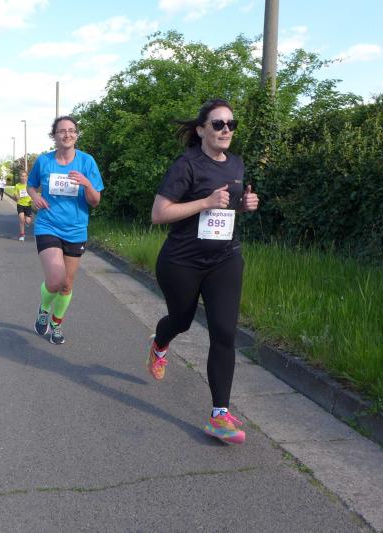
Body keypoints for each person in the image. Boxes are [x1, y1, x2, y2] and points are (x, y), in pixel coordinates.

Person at [148, 99, 259, 445]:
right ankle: (160, 343)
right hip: (182, 261)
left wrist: (246, 205)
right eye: (218, 124)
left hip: (225, 259)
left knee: (224, 333)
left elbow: (228, 207)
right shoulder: (187, 165)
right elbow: (159, 214)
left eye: (231, 124)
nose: (226, 129)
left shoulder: (236, 163)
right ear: (201, 130)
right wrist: (205, 202)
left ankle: (219, 415)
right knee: (180, 321)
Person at [28, 115, 103, 345]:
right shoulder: (44, 161)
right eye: (62, 131)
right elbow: (31, 185)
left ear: (76, 135)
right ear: (54, 136)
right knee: (55, 279)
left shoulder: (87, 162)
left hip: (76, 229)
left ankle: (56, 323)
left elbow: (95, 201)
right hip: (48, 225)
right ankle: (44, 308)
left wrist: (86, 183)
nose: (67, 134)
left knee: (67, 284)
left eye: (72, 130)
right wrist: (35, 197)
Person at [13, 170, 33, 241]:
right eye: (22, 176)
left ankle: (27, 221)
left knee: (28, 221)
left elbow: (33, 193)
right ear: (20, 177)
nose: (23, 178)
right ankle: (22, 235)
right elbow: (15, 193)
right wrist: (17, 196)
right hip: (20, 204)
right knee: (21, 219)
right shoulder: (17, 185)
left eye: (25, 176)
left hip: (28, 205)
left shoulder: (29, 185)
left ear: (27, 177)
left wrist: (32, 199)